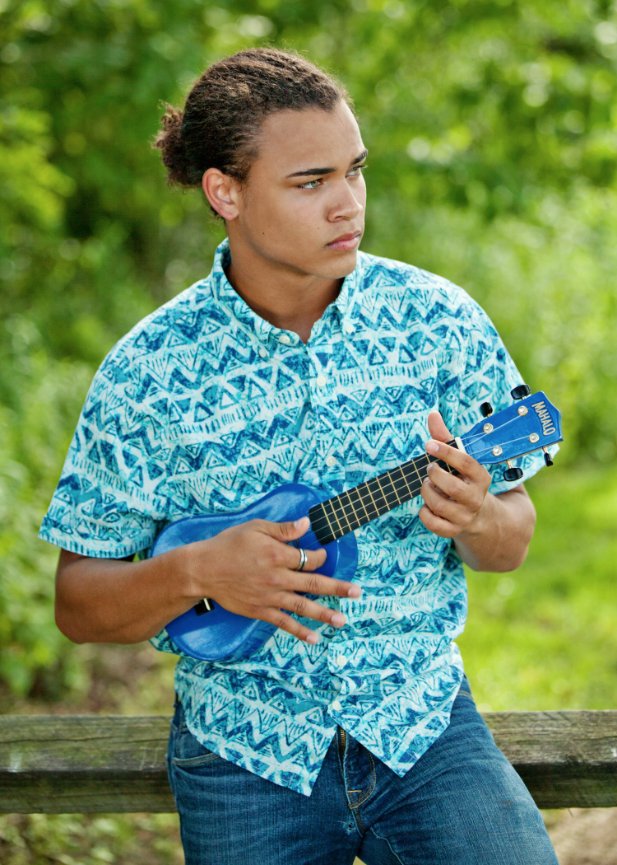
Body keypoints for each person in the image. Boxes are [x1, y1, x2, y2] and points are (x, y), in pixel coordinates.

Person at [40, 48, 558, 865]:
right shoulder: (146, 373)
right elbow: (78, 604)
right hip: (242, 749)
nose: (347, 203)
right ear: (226, 192)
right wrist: (199, 570)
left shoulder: (439, 321)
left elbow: (510, 541)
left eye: (355, 170)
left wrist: (477, 517)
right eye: (311, 182)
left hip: (421, 725)